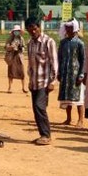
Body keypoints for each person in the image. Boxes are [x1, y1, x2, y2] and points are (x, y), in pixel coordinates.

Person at [25, 16, 58, 145]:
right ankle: (42, 134)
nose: (33, 31)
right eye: (30, 29)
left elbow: (54, 63)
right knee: (36, 108)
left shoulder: (48, 42)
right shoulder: (30, 43)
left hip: (45, 82)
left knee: (40, 107)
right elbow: (30, 64)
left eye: (35, 28)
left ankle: (46, 135)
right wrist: (29, 80)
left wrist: (52, 82)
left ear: (39, 27)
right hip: (34, 81)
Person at [57, 19, 86, 127]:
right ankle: (68, 119)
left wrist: (81, 74)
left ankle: (80, 120)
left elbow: (83, 59)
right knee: (67, 99)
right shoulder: (63, 42)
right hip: (65, 73)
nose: (68, 30)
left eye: (70, 27)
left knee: (79, 99)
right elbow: (59, 58)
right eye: (67, 27)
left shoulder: (80, 43)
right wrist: (59, 72)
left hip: (76, 74)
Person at [4, 25, 27, 93]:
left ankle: (23, 87)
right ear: (13, 32)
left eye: (18, 31)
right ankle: (9, 88)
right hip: (12, 57)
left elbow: (23, 47)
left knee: (22, 72)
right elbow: (6, 47)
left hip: (19, 56)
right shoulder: (10, 39)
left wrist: (21, 48)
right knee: (11, 72)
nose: (16, 32)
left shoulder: (21, 39)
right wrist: (11, 47)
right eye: (15, 31)